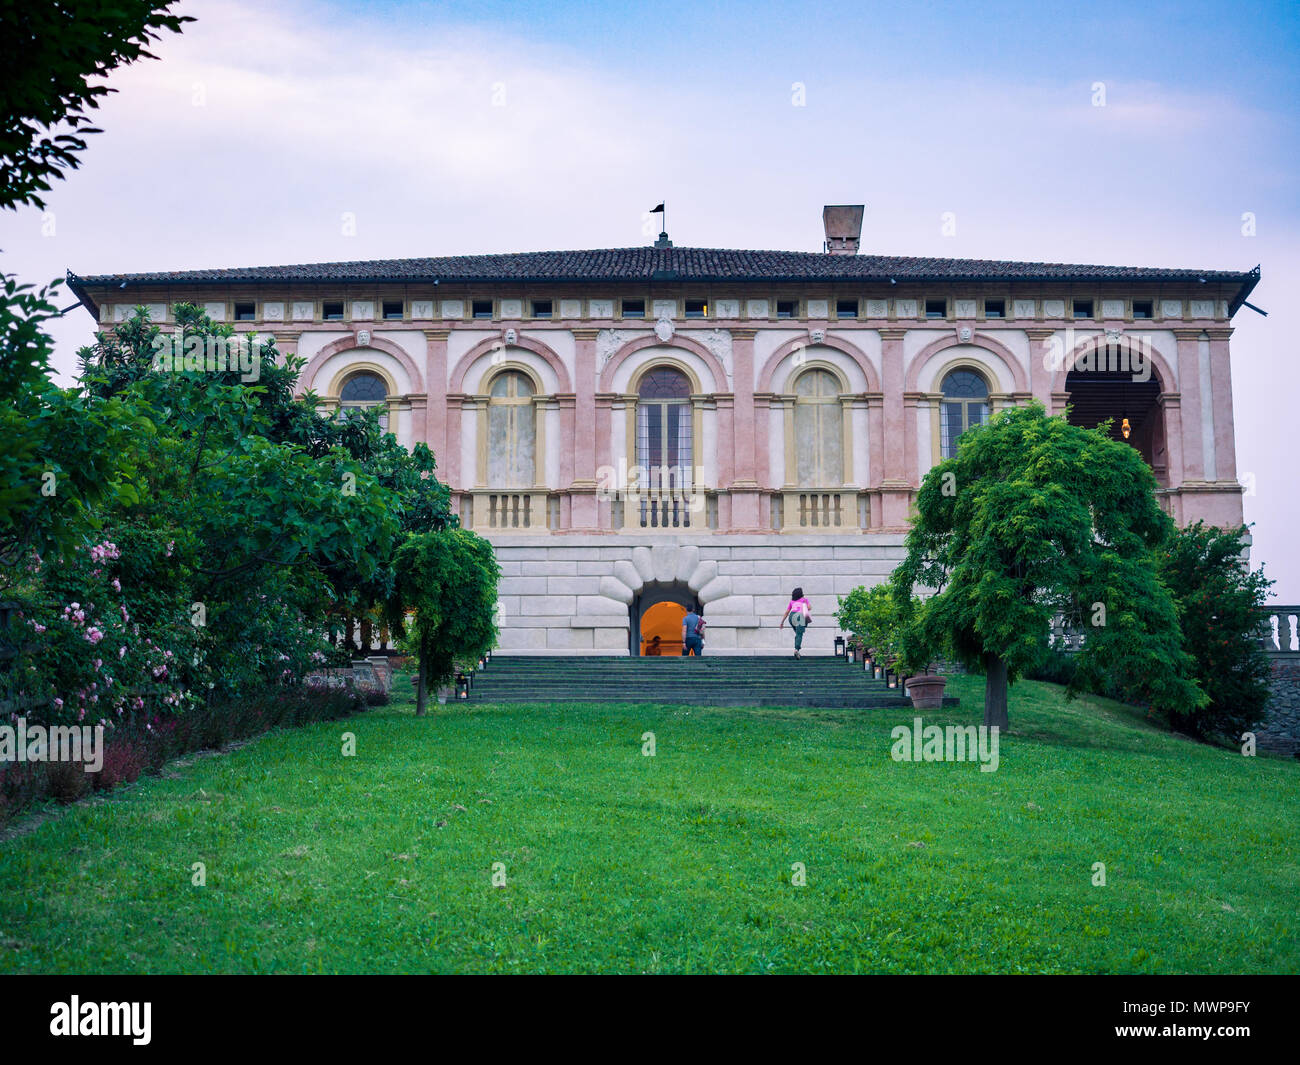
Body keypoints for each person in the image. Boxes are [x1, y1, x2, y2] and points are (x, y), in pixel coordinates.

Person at [780, 587, 812, 658]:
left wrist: (782, 622)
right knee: (799, 634)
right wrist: (804, 605)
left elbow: (786, 612)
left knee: (798, 633)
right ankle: (796, 650)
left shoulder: (792, 601)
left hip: (791, 617)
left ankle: (797, 649)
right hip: (799, 616)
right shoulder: (804, 600)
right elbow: (809, 608)